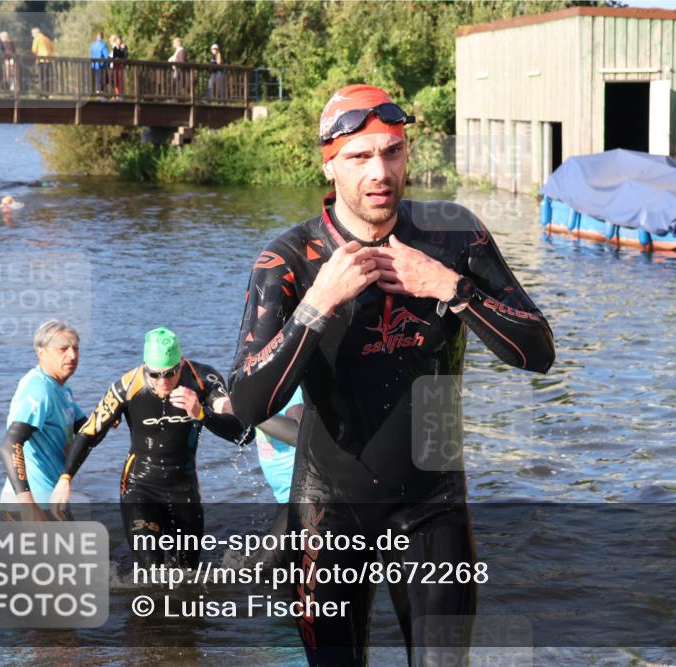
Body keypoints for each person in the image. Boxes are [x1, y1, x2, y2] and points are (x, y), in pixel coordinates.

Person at [228, 84, 555, 665]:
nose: (379, 171)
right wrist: (317, 305)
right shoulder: (289, 259)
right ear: (329, 165)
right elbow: (248, 402)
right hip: (328, 512)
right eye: (359, 157)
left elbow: (538, 352)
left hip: (433, 504)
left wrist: (453, 290)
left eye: (392, 152)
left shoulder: (454, 237)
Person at [50, 327, 253, 568]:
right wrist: (65, 478)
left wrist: (202, 413)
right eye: (155, 375)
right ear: (145, 367)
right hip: (139, 487)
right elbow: (90, 431)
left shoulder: (203, 379)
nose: (163, 381)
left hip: (184, 488)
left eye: (170, 373)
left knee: (188, 573)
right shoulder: (127, 385)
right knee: (151, 570)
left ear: (181, 362)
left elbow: (242, 434)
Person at [0, 320, 84, 521]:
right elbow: (10, 445)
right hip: (33, 504)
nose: (72, 355)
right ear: (41, 352)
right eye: (63, 349)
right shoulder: (39, 389)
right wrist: (29, 506)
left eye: (75, 348)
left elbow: (86, 429)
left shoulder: (62, 389)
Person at [30, 27, 53, 96]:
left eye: (32, 34)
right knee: (47, 76)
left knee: (41, 77)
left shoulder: (37, 39)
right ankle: (48, 93)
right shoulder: (47, 38)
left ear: (35, 33)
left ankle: (42, 93)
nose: (32, 35)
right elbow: (53, 49)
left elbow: (34, 50)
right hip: (49, 60)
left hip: (41, 60)